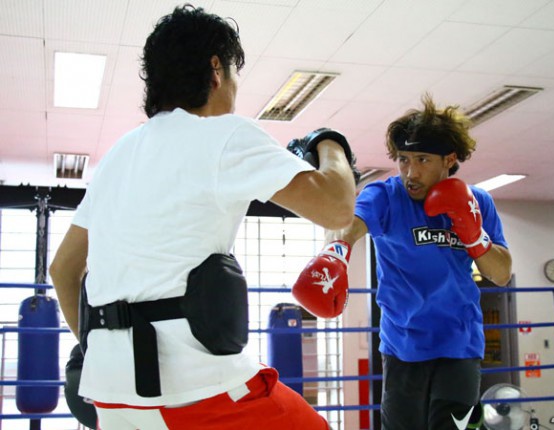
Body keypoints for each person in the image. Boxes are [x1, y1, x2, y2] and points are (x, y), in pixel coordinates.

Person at [49, 4, 357, 430]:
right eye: (234, 75)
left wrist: (103, 352)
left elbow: (63, 270)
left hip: (109, 399)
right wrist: (330, 143)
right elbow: (337, 207)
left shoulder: (117, 155)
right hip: (195, 391)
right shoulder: (223, 134)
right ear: (216, 69)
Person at [291, 94, 512, 430]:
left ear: (449, 159)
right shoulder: (386, 196)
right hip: (402, 347)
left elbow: (502, 274)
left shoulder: (478, 202)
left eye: (422, 160)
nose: (411, 172)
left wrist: (474, 235)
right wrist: (335, 253)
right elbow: (347, 223)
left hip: (460, 346)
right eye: (403, 159)